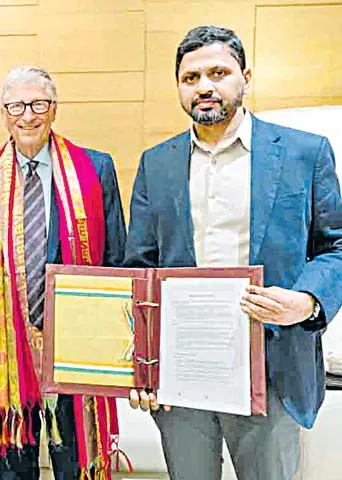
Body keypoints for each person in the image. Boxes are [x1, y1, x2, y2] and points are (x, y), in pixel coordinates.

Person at [126, 25, 342, 480]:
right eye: (190, 78)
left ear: (246, 77)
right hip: (180, 377)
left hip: (271, 365)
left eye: (218, 72)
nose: (204, 86)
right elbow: (139, 269)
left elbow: (335, 246)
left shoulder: (306, 153)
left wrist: (307, 301)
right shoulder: (155, 163)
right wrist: (140, 368)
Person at [0, 66, 127, 479]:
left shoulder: (96, 168)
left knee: (75, 462)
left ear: (54, 110)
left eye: (38, 104)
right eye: (16, 106)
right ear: (3, 113)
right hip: (8, 346)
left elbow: (117, 260)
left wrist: (114, 346)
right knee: (15, 467)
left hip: (76, 343)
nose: (27, 116)